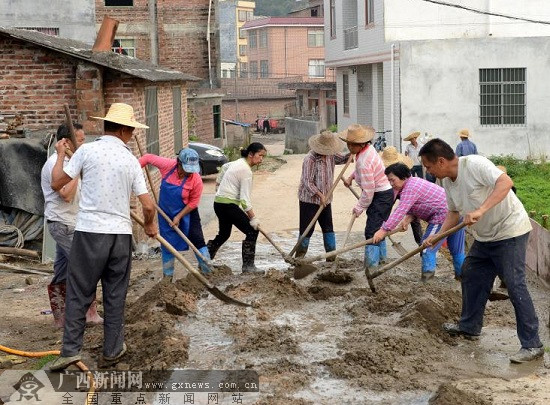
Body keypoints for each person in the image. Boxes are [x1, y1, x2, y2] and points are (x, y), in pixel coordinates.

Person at [49, 103, 157, 370]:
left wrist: (62, 156)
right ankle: (112, 351)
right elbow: (147, 206)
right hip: (120, 236)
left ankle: (71, 350)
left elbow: (57, 184)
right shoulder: (130, 160)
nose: (131, 135)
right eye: (131, 130)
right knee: (115, 294)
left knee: (79, 292)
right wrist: (150, 226)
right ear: (123, 129)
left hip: (89, 233)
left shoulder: (87, 151)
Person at [419, 138, 543, 364]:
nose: (427, 171)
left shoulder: (475, 164)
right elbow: (453, 214)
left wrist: (481, 209)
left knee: (515, 285)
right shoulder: (447, 181)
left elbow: (506, 183)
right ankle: (469, 327)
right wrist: (436, 236)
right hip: (485, 237)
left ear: (441, 161)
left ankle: (532, 344)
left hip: (509, 230)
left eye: (428, 166)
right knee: (471, 272)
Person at [41, 123, 103, 327]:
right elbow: (66, 194)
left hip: (74, 222)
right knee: (85, 267)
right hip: (63, 223)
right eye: (81, 140)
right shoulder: (55, 164)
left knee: (62, 269)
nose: (84, 144)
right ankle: (89, 314)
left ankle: (61, 318)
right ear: (66, 142)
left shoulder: (72, 161)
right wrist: (76, 169)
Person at [372, 162, 466, 281]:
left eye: (393, 180)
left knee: (427, 248)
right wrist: (407, 219)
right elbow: (418, 204)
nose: (391, 184)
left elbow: (400, 210)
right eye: (389, 181)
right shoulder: (413, 183)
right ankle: (462, 279)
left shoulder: (410, 188)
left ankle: (428, 282)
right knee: (457, 250)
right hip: (456, 212)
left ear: (403, 177)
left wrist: (383, 230)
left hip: (443, 216)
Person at [139, 147, 210, 278]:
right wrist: (134, 173)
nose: (189, 173)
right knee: (167, 243)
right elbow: (148, 158)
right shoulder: (168, 166)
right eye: (186, 169)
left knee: (197, 239)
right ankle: (167, 277)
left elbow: (193, 203)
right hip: (165, 213)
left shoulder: (196, 180)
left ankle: (207, 271)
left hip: (188, 213)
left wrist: (178, 216)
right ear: (179, 163)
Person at [207, 142, 267, 273]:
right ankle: (248, 267)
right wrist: (253, 218)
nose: (261, 159)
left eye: (263, 156)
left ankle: (205, 258)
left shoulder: (239, 162)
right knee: (252, 231)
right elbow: (244, 200)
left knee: (224, 234)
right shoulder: (246, 171)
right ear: (251, 154)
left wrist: (218, 185)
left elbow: (224, 167)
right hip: (228, 205)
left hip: (219, 203)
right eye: (260, 155)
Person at [341, 124, 394, 269]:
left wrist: (359, 207)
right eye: (348, 144)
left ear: (359, 144)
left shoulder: (364, 160)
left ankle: (371, 267)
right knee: (379, 227)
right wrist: (352, 177)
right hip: (383, 193)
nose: (349, 147)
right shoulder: (367, 150)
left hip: (380, 195)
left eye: (351, 145)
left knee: (371, 231)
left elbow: (368, 191)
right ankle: (382, 260)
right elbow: (360, 170)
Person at [295, 130, 349, 259]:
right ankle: (299, 258)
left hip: (326, 199)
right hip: (309, 200)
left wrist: (353, 152)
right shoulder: (310, 159)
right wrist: (320, 195)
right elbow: (307, 182)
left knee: (328, 228)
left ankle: (331, 257)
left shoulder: (331, 155)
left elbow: (342, 158)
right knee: (307, 229)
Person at [379, 146, 424, 247]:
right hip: (390, 190)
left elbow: (400, 210)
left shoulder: (402, 172)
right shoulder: (384, 171)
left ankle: (421, 245)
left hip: (406, 191)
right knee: (385, 210)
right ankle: (381, 235)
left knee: (413, 216)